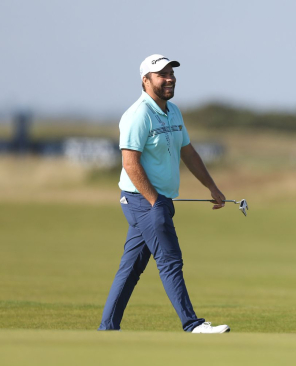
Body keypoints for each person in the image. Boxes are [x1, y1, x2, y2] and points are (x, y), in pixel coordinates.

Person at [98, 54, 230, 334]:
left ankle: (107, 328)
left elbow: (189, 152)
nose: (169, 78)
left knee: (131, 268)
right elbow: (130, 163)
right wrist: (155, 202)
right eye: (162, 74)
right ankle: (192, 324)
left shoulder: (173, 111)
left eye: (171, 73)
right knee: (170, 260)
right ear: (146, 80)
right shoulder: (138, 115)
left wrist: (212, 186)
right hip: (144, 201)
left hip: (158, 201)